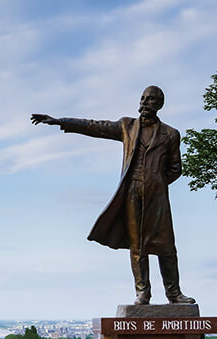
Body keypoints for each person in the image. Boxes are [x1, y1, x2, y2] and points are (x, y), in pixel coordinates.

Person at [31, 86, 195, 305]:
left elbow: (176, 168)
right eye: (143, 98)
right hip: (131, 193)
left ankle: (174, 294)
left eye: (151, 100)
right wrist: (61, 121)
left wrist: (156, 180)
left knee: (166, 245)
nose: (145, 103)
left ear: (160, 104)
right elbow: (95, 126)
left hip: (157, 197)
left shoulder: (171, 134)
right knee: (137, 246)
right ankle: (142, 292)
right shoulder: (128, 126)